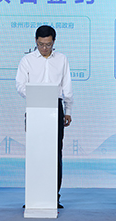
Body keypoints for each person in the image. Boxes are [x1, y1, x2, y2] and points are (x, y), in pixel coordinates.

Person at [15, 25, 73, 208]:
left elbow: (67, 86)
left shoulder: (62, 59)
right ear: (35, 41)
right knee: (35, 152)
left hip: (56, 108)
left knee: (55, 153)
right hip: (35, 107)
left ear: (54, 42)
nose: (44, 48)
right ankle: (33, 196)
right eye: (41, 44)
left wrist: (68, 110)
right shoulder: (27, 60)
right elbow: (20, 85)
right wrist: (37, 94)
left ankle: (53, 196)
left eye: (48, 44)